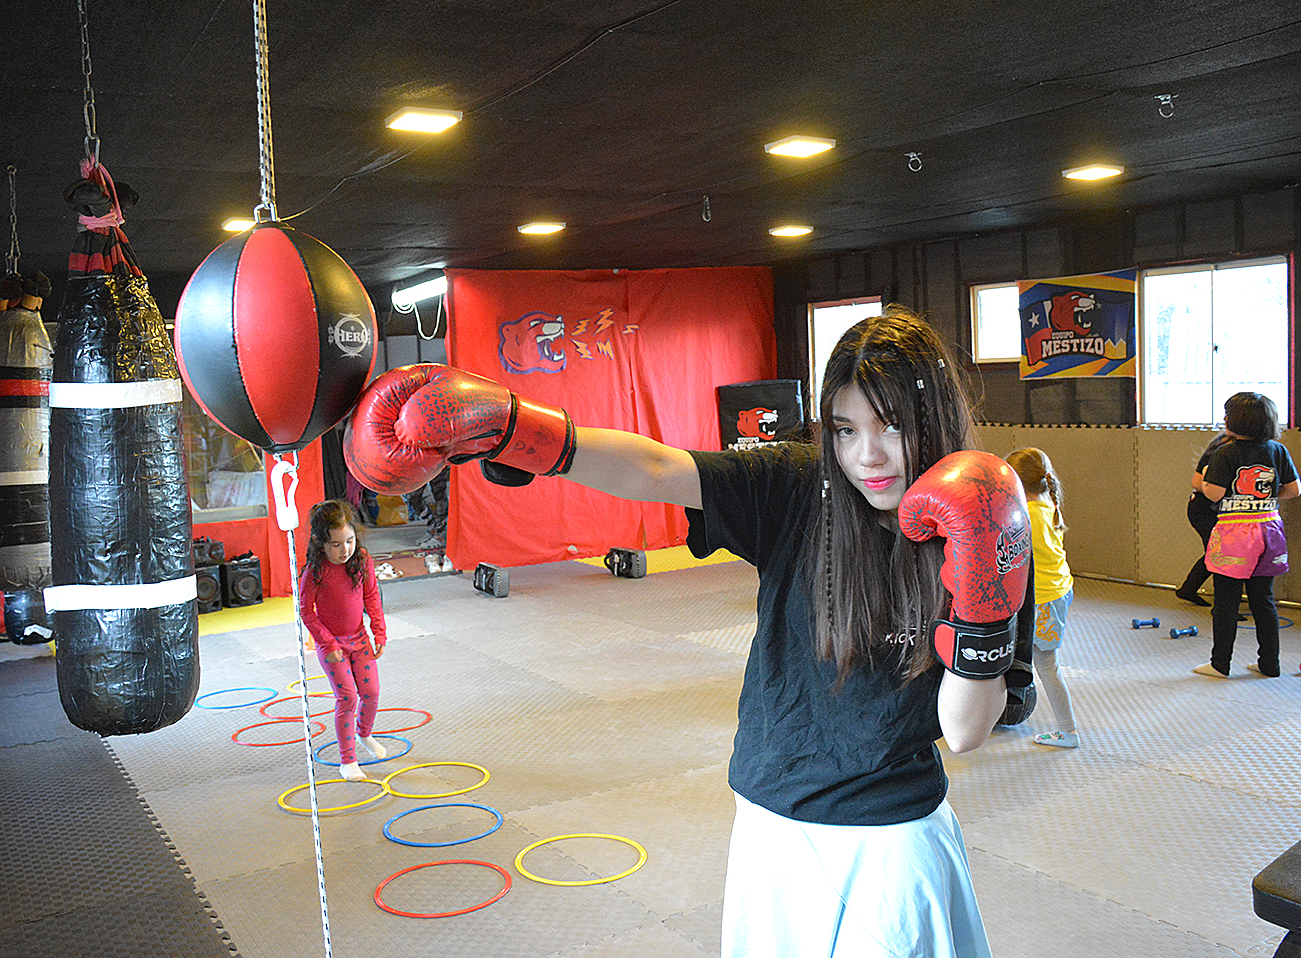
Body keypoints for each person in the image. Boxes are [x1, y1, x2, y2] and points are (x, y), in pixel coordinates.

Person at [345, 306, 1034, 958]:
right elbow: (656, 467)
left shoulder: (986, 525)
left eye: (891, 426)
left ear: (931, 419)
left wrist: (981, 594)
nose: (869, 456)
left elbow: (967, 730)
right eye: (845, 430)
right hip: (773, 823)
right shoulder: (802, 488)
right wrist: (519, 430)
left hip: (892, 840)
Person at [1194, 393, 1301, 679]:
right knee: (1263, 600)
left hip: (1236, 535)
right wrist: (1262, 498)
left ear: (1236, 421)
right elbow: (1294, 489)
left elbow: (1214, 492)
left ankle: (1219, 664)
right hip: (1269, 530)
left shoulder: (1224, 453)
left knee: (1226, 601)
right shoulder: (1278, 450)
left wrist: (1207, 480)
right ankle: (1270, 664)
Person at [298, 500, 389, 780]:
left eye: (349, 541)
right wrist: (327, 643)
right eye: (336, 544)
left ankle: (364, 734)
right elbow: (305, 611)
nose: (344, 550)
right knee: (348, 697)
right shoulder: (314, 570)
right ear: (320, 543)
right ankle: (347, 761)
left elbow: (372, 597)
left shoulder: (361, 560)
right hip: (332, 646)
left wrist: (379, 632)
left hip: (360, 639)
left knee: (371, 693)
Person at [1006, 448, 1081, 749]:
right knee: (1037, 660)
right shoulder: (1046, 504)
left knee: (1047, 666)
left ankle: (1068, 731)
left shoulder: (1029, 515)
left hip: (1044, 600)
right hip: (1056, 592)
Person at [1174, 431, 1231, 606]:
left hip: (1213, 509)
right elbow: (1197, 482)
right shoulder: (1223, 447)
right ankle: (1224, 604)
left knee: (1215, 553)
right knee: (1219, 554)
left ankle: (1188, 589)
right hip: (1204, 509)